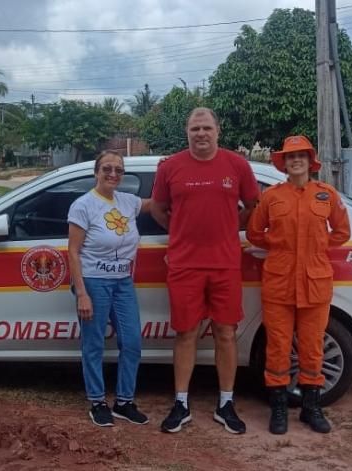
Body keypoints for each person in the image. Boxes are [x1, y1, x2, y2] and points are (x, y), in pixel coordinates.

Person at [151, 107, 260, 434]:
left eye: (206, 128)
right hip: (184, 265)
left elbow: (253, 205)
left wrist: (231, 229)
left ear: (218, 130)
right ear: (187, 131)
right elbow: (157, 207)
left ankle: (226, 403)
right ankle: (181, 403)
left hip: (225, 264)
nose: (201, 133)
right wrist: (179, 231)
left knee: (226, 333)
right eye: (195, 128)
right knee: (185, 333)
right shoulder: (170, 167)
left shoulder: (237, 165)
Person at [246, 135, 351, 435]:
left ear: (310, 161)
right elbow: (255, 232)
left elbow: (342, 231)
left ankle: (311, 408)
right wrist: (279, 244)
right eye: (290, 157)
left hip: (315, 282)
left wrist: (316, 246)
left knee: (312, 347)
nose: (296, 161)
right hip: (279, 282)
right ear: (283, 163)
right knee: (278, 348)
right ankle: (278, 408)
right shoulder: (272, 197)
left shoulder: (326, 194)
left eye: (301, 156)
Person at [67, 150, 151, 427]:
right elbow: (73, 251)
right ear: (96, 172)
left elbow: (159, 204)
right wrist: (82, 294)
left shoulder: (128, 201)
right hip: (94, 282)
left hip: (123, 282)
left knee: (132, 342)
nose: (113, 174)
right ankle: (98, 401)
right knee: (93, 344)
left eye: (118, 169)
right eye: (107, 169)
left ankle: (124, 402)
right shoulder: (83, 205)